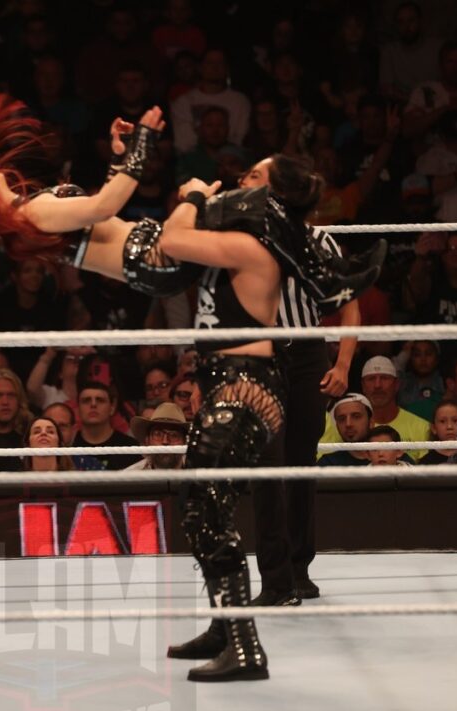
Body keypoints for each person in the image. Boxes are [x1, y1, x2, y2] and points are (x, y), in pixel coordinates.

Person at [0, 70, 382, 314]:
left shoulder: (35, 213)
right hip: (152, 257)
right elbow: (109, 204)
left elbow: (99, 212)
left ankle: (328, 276)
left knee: (243, 215)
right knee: (245, 205)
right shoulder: (35, 215)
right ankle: (329, 279)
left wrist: (119, 154)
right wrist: (144, 145)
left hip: (147, 255)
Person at [158, 156, 344, 683]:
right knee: (206, 504)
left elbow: (170, 244)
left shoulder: (251, 242)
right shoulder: (247, 233)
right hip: (231, 376)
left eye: (255, 177)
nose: (242, 182)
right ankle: (225, 626)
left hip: (248, 380)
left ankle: (243, 645)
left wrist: (193, 196)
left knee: (205, 509)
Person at [71, 381, 140, 471]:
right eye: (86, 400)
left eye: (100, 400)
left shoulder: (131, 448)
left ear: (112, 408)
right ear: (78, 409)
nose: (93, 404)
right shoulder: (69, 446)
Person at [124, 402, 188, 470]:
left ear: (185, 441)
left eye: (174, 435)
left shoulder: (198, 474)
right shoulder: (129, 477)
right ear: (147, 440)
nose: (165, 441)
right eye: (158, 434)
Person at [318, 394, 373, 467]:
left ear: (371, 422)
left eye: (356, 417)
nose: (348, 424)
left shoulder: (387, 458)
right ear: (337, 426)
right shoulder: (328, 464)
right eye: (342, 419)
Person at [419, 399, 457, 465]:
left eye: (455, 421)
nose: (449, 426)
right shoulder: (425, 463)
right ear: (434, 428)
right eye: (442, 421)